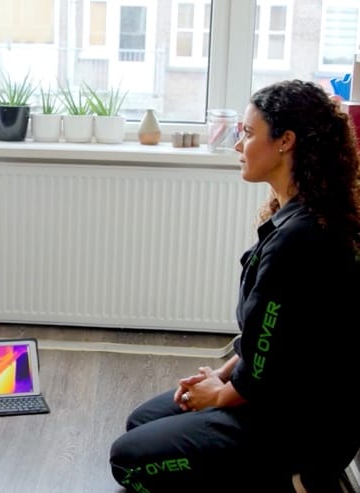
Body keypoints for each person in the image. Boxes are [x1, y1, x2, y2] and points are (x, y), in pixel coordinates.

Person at [109, 80, 360, 493]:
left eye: (248, 133)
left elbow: (267, 367)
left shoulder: (301, 239)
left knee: (129, 463)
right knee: (142, 422)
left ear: (285, 142)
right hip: (276, 395)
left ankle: (293, 481)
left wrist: (221, 395)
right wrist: (221, 377)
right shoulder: (294, 216)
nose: (239, 145)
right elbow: (265, 340)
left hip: (299, 426)